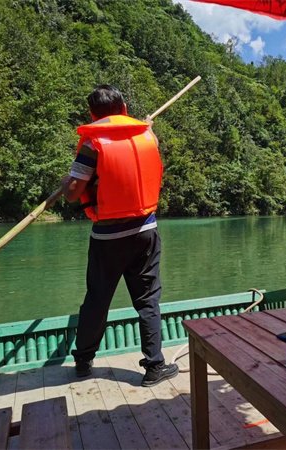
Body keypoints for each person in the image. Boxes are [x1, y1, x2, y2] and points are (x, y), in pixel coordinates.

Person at [61, 85, 178, 387]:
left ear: (93, 115)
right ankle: (154, 367)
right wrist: (146, 127)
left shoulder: (92, 144)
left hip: (108, 238)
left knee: (97, 300)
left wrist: (65, 182)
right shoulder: (148, 137)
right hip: (145, 232)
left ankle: (83, 360)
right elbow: (144, 140)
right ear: (124, 108)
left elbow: (72, 193)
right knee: (148, 300)